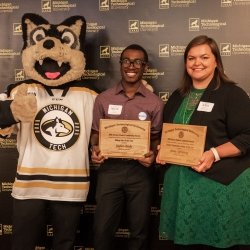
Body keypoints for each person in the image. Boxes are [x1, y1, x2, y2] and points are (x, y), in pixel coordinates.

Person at [156, 35, 250, 250]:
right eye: (191, 58)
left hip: (220, 186)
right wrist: (164, 149)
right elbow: (170, 135)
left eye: (204, 57)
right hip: (182, 186)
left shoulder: (232, 94)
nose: (197, 63)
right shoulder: (178, 96)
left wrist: (214, 154)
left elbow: (247, 136)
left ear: (216, 61)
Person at [90, 44, 164, 250]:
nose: (131, 66)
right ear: (120, 64)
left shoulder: (155, 103)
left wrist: (153, 154)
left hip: (140, 172)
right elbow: (95, 134)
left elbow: (156, 138)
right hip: (109, 171)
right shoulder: (103, 98)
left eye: (137, 61)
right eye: (126, 61)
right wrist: (94, 149)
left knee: (139, 231)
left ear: (145, 67)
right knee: (102, 229)